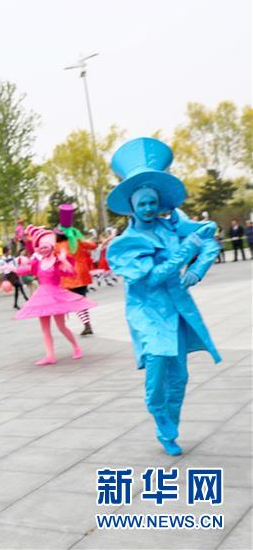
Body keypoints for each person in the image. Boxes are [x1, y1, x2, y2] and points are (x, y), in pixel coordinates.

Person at [105, 137, 221, 456]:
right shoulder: (124, 244)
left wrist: (199, 268)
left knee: (180, 376)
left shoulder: (172, 226)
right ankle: (159, 415)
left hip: (178, 310)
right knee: (157, 368)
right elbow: (154, 278)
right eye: (142, 203)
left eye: (152, 202)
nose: (148, 208)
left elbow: (209, 237)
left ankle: (169, 427)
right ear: (132, 206)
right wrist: (188, 250)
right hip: (147, 312)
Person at [14, 225, 95, 365]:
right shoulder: (37, 263)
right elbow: (25, 270)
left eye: (46, 246)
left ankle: (76, 347)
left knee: (61, 326)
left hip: (56, 297)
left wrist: (63, 260)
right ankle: (50, 356)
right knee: (45, 329)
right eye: (40, 247)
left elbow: (71, 273)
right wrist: (12, 268)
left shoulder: (57, 262)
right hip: (41, 298)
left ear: (51, 247)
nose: (43, 249)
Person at [54, 204, 97, 336]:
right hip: (82, 275)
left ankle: (86, 325)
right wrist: (83, 239)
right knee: (80, 300)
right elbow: (93, 245)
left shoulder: (57, 247)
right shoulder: (77, 242)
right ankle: (86, 324)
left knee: (75, 302)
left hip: (69, 278)